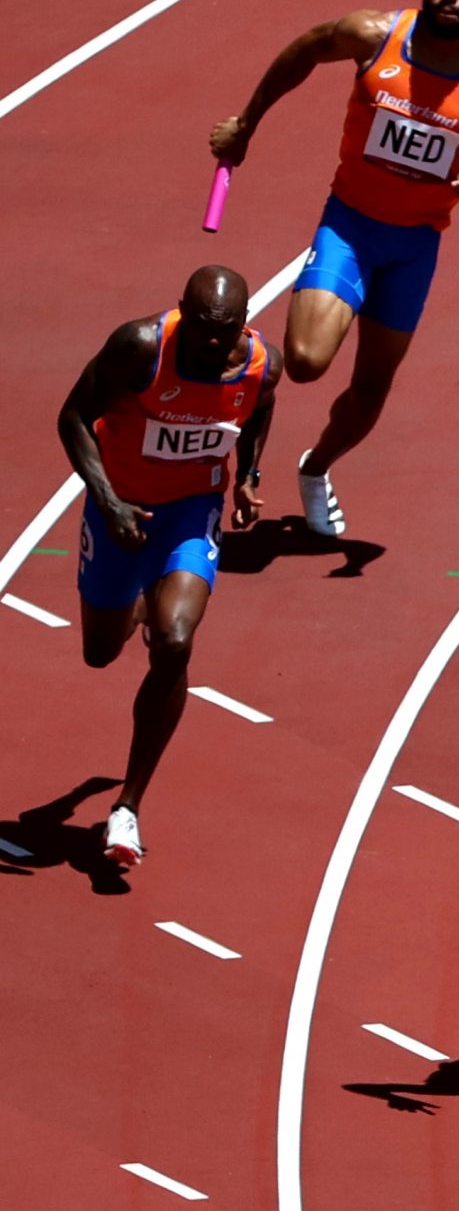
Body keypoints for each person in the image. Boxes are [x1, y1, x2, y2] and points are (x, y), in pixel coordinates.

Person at [209, 0, 459, 539]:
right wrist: (247, 124)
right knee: (303, 362)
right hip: (350, 224)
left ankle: (315, 467)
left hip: (415, 245)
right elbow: (302, 51)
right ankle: (238, 367)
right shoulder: (372, 36)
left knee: (372, 389)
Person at [55, 267, 277, 869]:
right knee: (100, 653)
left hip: (190, 511)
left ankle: (128, 806)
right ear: (181, 311)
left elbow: (258, 413)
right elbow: (72, 417)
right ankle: (135, 596)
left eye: (225, 329)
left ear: (244, 320)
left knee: (175, 641)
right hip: (118, 506)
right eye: (202, 328)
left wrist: (249, 478)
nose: (212, 341)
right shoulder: (140, 346)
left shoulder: (260, 363)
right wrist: (107, 500)